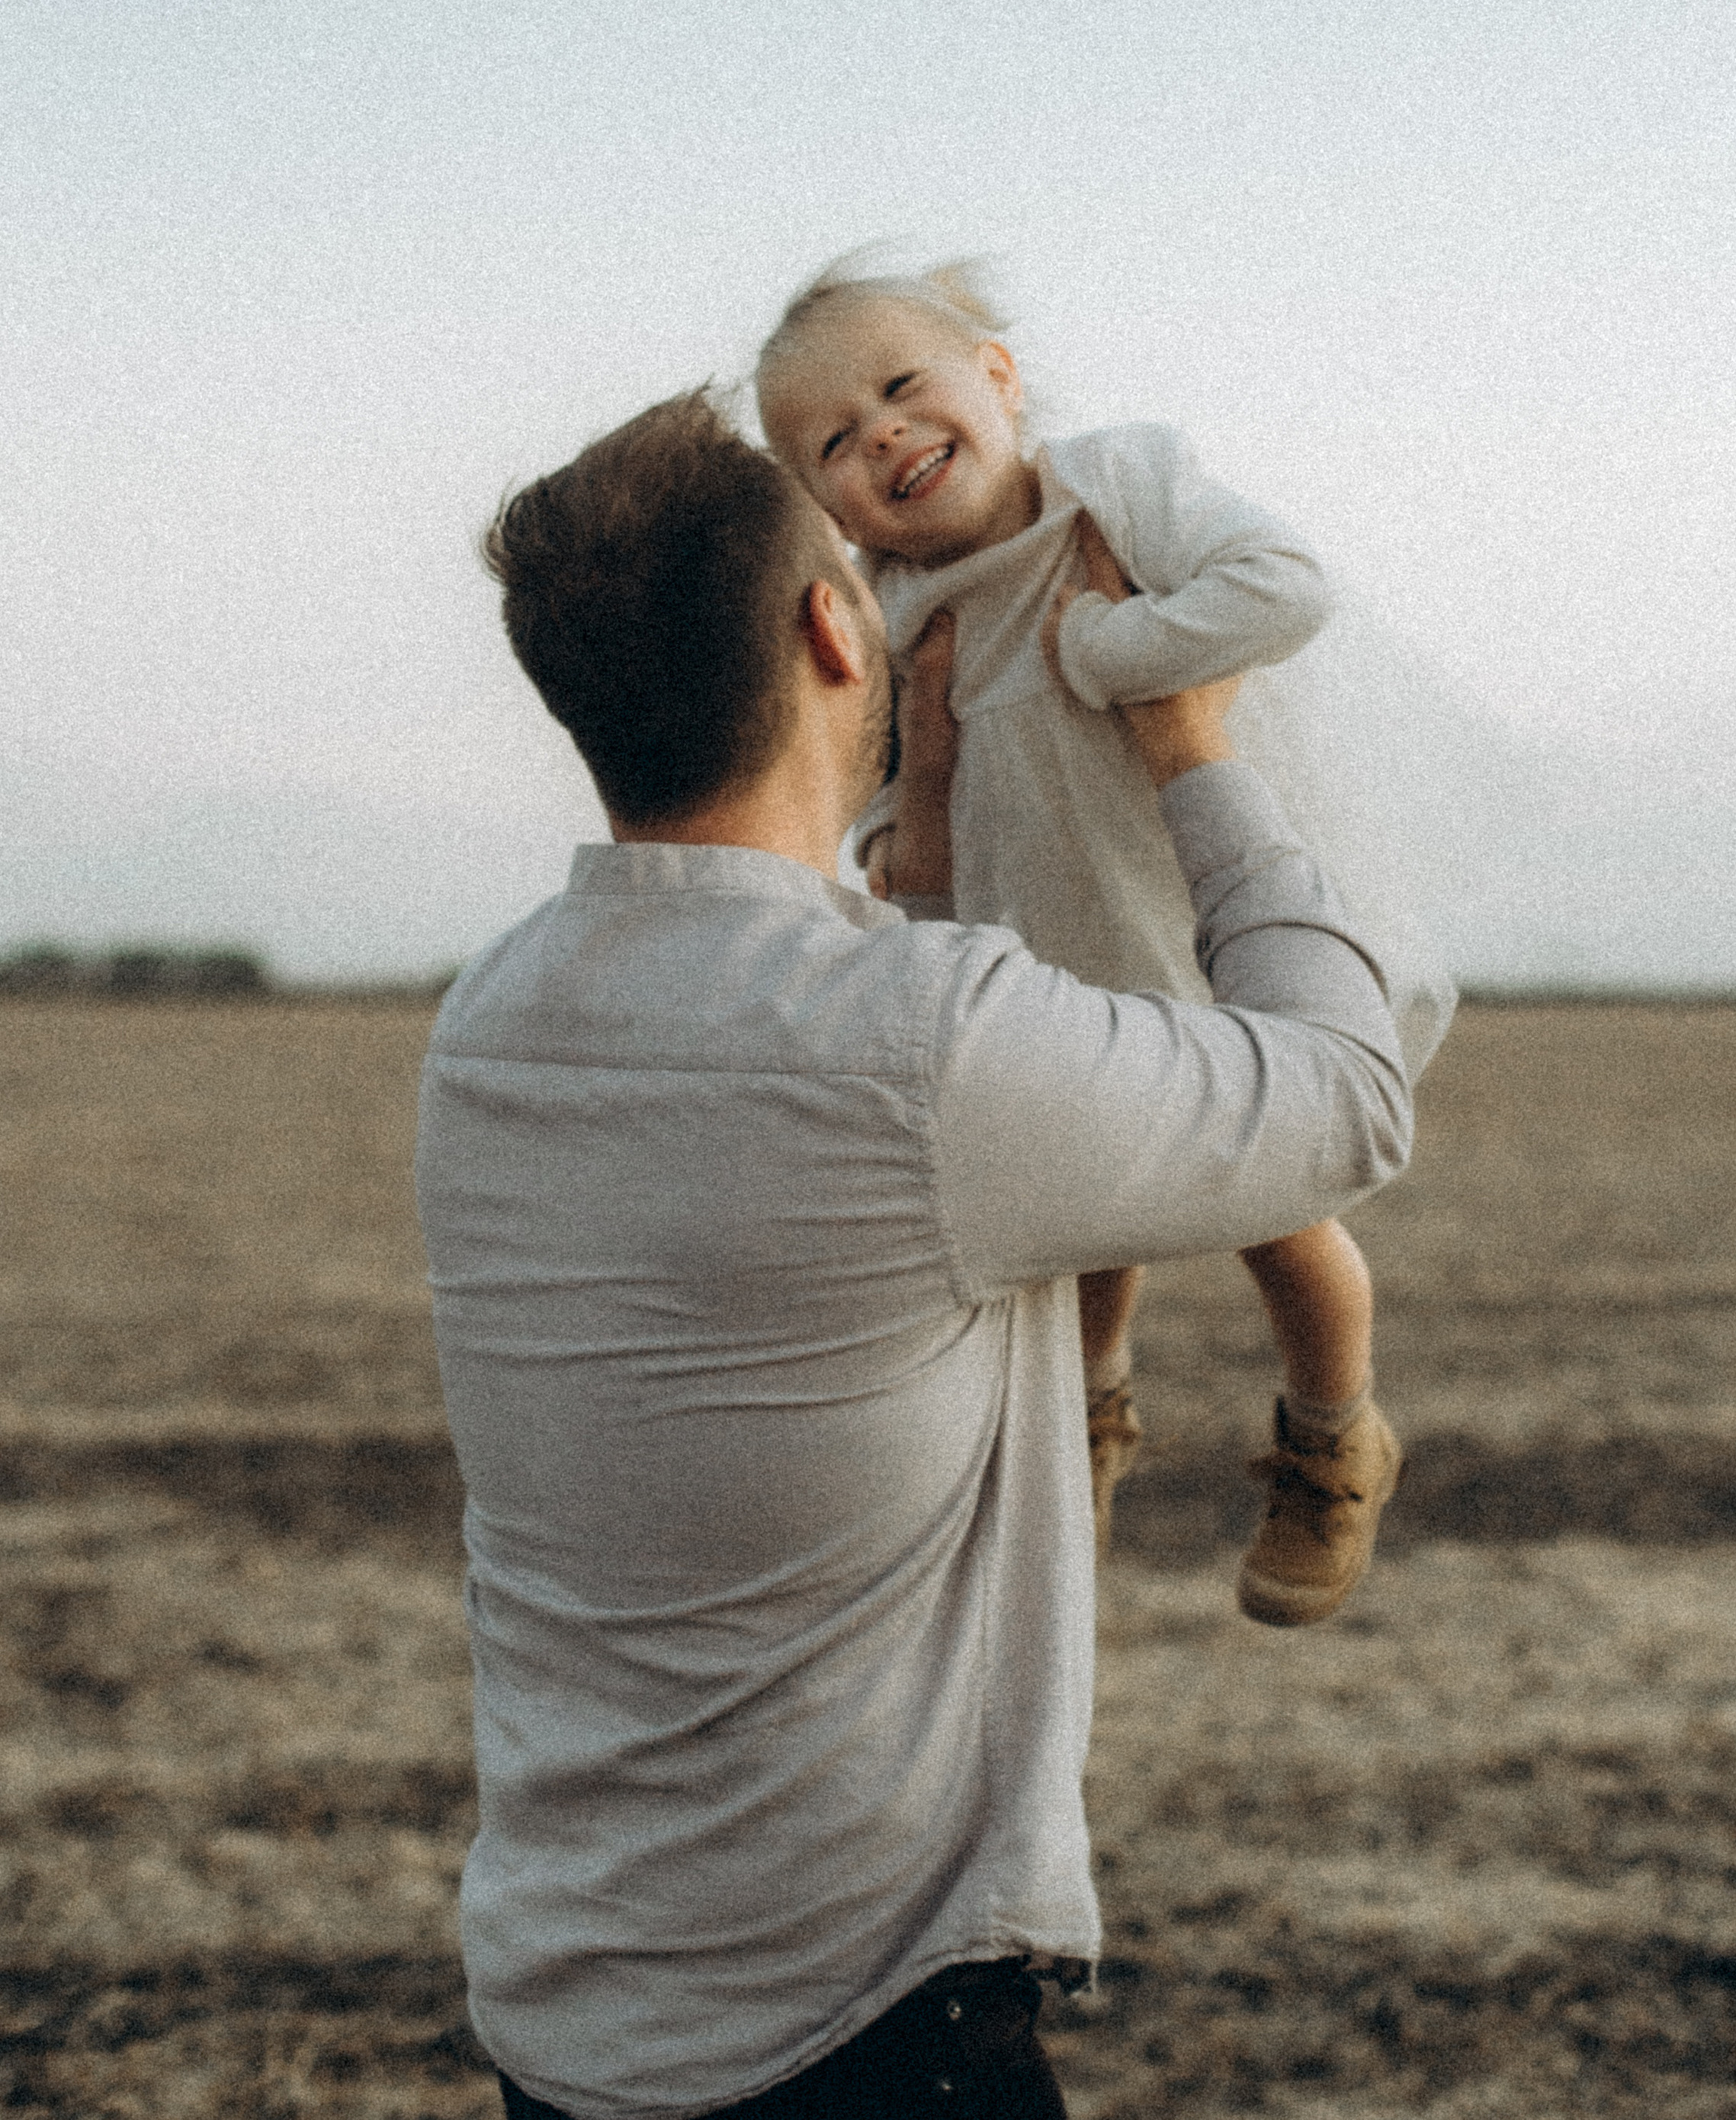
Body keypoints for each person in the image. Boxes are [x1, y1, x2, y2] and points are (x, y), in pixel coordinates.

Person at [417, 387, 1410, 2120]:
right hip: (856, 2032)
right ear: (831, 627)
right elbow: (1338, 1100)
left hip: (572, 2016)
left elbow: (854, 1112)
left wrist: (930, 850)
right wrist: (1192, 752)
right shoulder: (916, 1051)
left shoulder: (496, 1017)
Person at [756, 258, 1454, 1625]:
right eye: (833, 442)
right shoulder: (892, 616)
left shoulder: (1119, 487)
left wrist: (1115, 648)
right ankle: (1083, 1435)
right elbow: (877, 793)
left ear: (998, 381)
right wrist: (903, 824)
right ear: (819, 506)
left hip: (1202, 942)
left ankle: (1336, 1441)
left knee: (1281, 1216)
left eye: (903, 389)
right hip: (1047, 975)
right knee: (1084, 1244)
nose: (883, 435)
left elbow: (1287, 588)